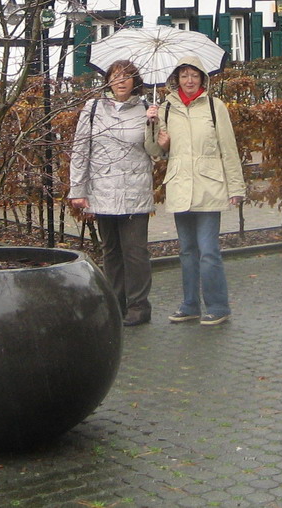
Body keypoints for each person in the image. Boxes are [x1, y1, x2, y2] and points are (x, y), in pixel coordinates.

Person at [68, 59, 162, 326]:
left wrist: (154, 125)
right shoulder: (93, 108)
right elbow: (80, 150)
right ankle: (115, 304)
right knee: (111, 251)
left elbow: (157, 153)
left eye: (127, 77)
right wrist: (78, 188)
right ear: (107, 80)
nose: (121, 81)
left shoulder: (146, 108)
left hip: (135, 191)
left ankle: (139, 307)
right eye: (115, 76)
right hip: (102, 190)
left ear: (135, 82)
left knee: (135, 252)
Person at [154, 55, 245, 326]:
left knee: (207, 250)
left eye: (194, 75)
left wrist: (236, 186)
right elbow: (156, 152)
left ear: (203, 79)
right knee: (186, 250)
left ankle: (218, 306)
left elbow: (228, 149)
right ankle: (190, 305)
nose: (189, 80)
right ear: (176, 79)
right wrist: (157, 135)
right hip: (180, 185)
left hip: (209, 186)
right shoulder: (165, 109)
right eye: (184, 76)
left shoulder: (215, 108)